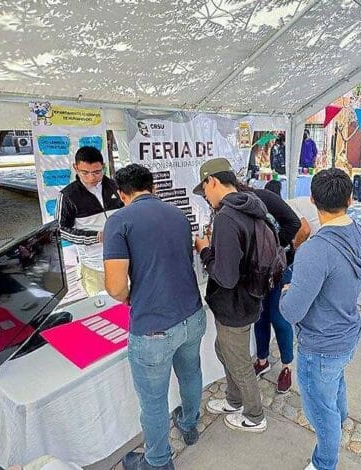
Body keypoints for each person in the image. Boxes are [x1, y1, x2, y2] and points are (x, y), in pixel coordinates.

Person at [103, 164, 205, 470]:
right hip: (191, 314)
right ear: (154, 187)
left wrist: (130, 296)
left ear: (122, 194)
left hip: (153, 328)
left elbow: (116, 286)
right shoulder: (178, 215)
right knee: (191, 374)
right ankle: (189, 425)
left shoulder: (118, 221)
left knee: (153, 401)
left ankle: (158, 462)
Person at [279, 169, 361, 470]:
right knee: (335, 383)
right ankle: (340, 419)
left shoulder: (314, 250)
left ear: (312, 199)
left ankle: (324, 463)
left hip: (320, 342)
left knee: (321, 411)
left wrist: (288, 291)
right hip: (348, 331)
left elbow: (292, 311)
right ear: (349, 198)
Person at [192, 158, 267, 433]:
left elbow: (225, 276)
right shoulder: (250, 204)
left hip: (234, 303)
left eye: (204, 190)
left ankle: (255, 415)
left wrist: (205, 250)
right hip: (249, 296)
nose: (206, 198)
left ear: (212, 181)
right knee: (223, 350)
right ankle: (234, 400)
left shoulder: (226, 216)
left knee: (238, 360)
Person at [236, 180, 301, 394]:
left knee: (279, 318)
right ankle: (262, 360)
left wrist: (274, 249)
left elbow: (295, 223)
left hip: (278, 270)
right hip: (255, 274)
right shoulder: (230, 208)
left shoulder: (263, 196)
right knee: (260, 317)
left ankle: (286, 367)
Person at [56, 146, 123, 296]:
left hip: (123, 260)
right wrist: (95, 236)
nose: (91, 178)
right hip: (94, 265)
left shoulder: (116, 186)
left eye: (97, 172)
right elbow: (60, 231)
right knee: (100, 305)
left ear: (103, 167)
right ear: (75, 168)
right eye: (84, 172)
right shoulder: (68, 195)